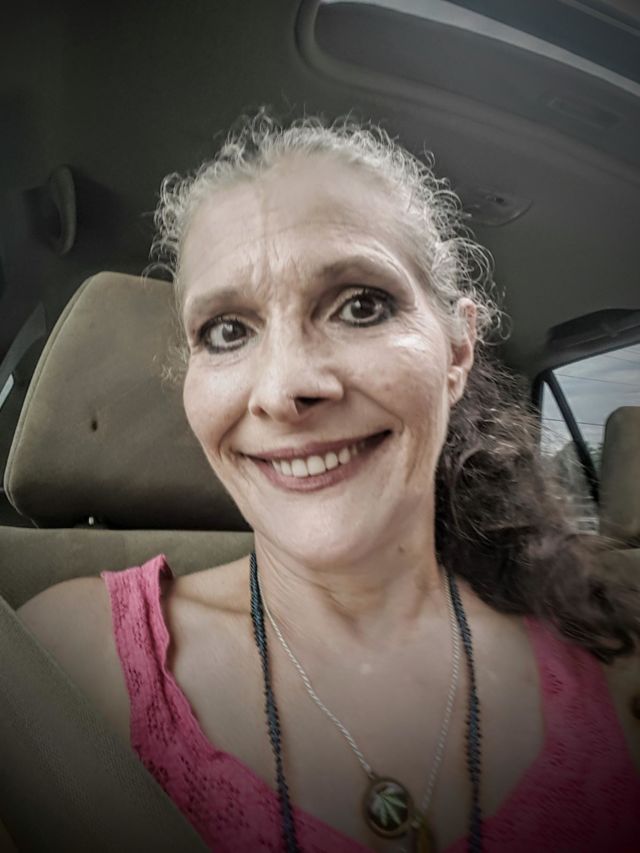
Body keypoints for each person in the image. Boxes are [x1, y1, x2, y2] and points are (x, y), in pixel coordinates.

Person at [18, 113, 640, 853]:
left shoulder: (611, 660)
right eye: (227, 331)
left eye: (360, 306)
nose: (286, 389)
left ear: (456, 351)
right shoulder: (58, 661)